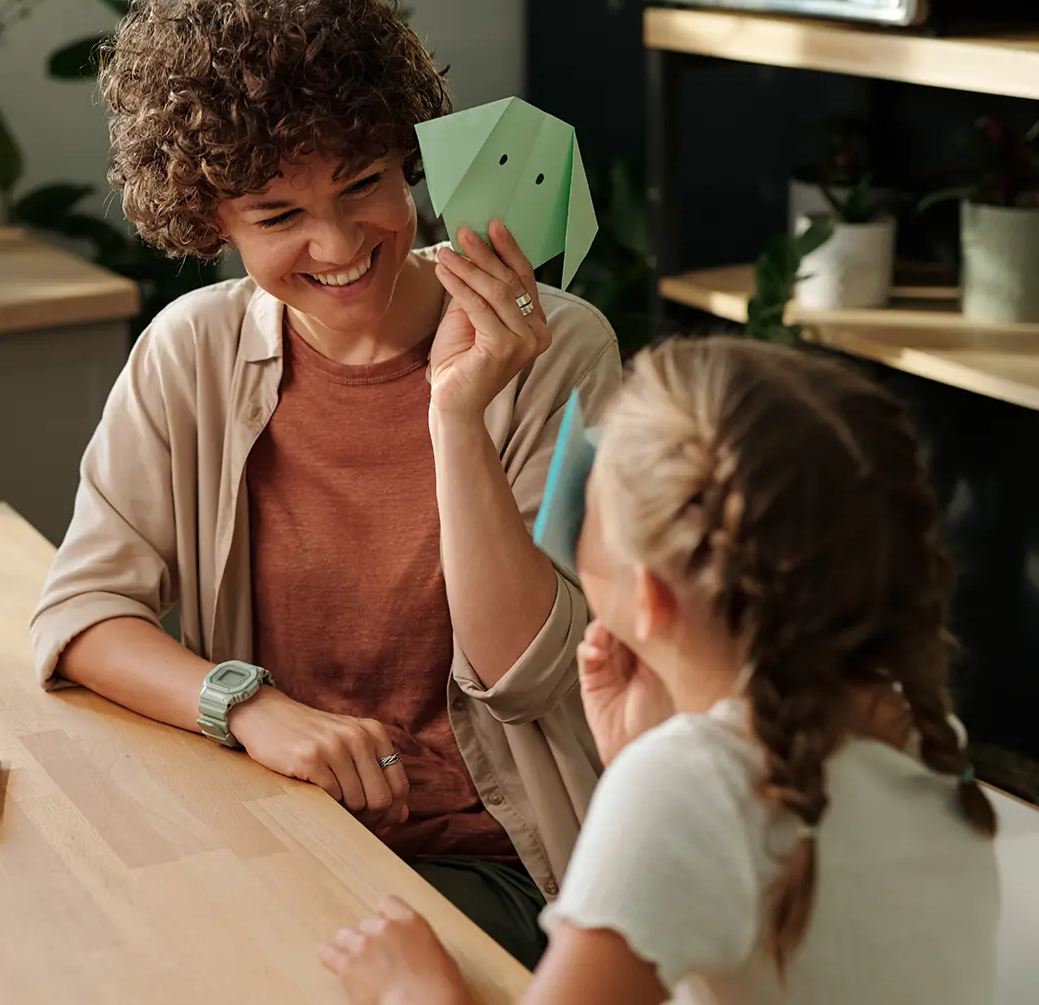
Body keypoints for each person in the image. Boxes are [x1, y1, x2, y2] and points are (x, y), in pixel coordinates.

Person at [29, 0, 621, 967]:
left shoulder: (555, 347)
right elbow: (81, 615)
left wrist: (455, 414)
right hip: (278, 821)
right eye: (278, 216)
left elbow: (529, 674)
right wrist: (248, 703)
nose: (340, 241)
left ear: (407, 161)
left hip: (495, 858)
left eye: (364, 184)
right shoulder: (191, 351)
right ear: (212, 216)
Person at [320, 336, 1001, 1005]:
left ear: (648, 595)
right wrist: (642, 759)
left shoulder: (690, 782)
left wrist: (419, 992)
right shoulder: (919, 731)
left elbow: (707, 818)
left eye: (589, 497)